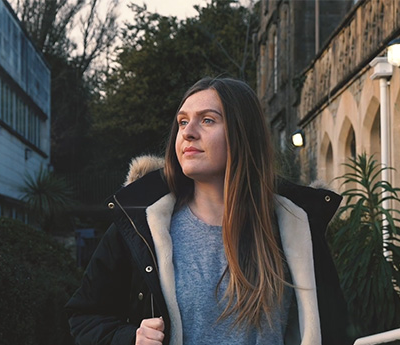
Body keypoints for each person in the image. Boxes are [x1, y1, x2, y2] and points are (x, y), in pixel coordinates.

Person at [65, 77, 350, 345]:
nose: (188, 132)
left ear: (242, 135)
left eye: (208, 120)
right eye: (182, 122)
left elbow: (334, 330)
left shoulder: (296, 227)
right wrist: (131, 337)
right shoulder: (143, 226)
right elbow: (83, 316)